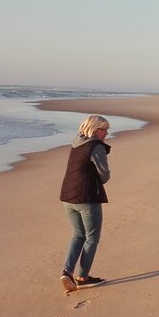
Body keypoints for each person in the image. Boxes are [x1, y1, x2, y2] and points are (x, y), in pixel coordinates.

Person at [59, 115, 112, 290]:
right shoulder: (96, 147)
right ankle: (83, 277)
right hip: (87, 198)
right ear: (96, 129)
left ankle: (67, 272)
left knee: (78, 234)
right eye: (105, 129)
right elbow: (104, 176)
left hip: (68, 197)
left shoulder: (76, 143)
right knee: (92, 238)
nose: (107, 133)